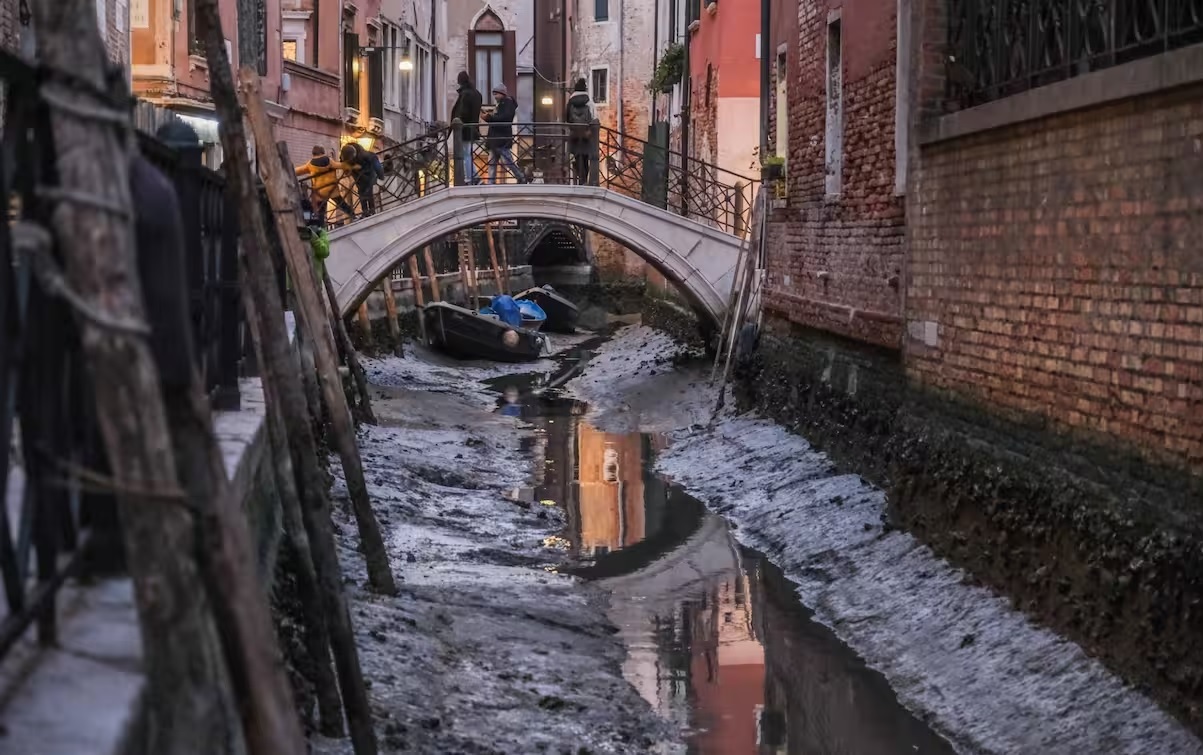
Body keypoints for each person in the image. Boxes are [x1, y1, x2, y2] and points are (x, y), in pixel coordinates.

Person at [295, 145, 356, 225]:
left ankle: (321, 226)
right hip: (332, 189)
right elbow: (339, 165)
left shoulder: (310, 164)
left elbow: (299, 170)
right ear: (322, 152)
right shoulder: (329, 160)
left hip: (320, 192)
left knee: (321, 210)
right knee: (342, 204)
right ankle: (353, 216)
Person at [483, 83, 525, 184]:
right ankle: (490, 183)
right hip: (496, 139)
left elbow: (504, 119)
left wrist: (490, 118)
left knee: (507, 161)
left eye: (496, 94)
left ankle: (520, 177)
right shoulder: (501, 104)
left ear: (502, 94)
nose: (495, 96)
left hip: (501, 139)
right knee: (492, 163)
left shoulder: (507, 104)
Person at [450, 71, 483, 184]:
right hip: (473, 128)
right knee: (467, 153)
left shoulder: (465, 94)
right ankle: (474, 176)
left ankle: (471, 178)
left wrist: (457, 122)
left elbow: (462, 112)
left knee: (465, 154)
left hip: (464, 129)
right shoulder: (477, 94)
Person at [341, 142, 385, 217]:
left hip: (368, 174)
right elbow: (343, 164)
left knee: (368, 191)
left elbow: (377, 165)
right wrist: (348, 170)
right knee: (362, 192)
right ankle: (366, 211)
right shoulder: (345, 154)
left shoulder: (365, 155)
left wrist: (381, 178)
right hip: (358, 176)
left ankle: (370, 210)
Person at [565, 78, 595, 185]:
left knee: (577, 157)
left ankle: (577, 178)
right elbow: (594, 118)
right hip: (586, 135)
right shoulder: (589, 102)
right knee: (586, 158)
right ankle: (584, 181)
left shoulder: (570, 102)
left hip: (574, 134)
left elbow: (567, 118)